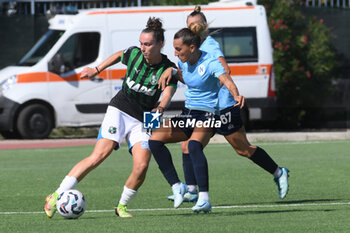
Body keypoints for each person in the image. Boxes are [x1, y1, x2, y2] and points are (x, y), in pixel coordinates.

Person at [44, 17, 178, 218]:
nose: (143, 48)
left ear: (160, 44)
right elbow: (119, 55)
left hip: (146, 117)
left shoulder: (167, 69)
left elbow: (168, 91)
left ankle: (121, 207)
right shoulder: (134, 53)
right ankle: (55, 196)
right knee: (99, 155)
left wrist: (161, 106)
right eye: (141, 43)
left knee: (142, 165)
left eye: (148, 44)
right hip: (120, 109)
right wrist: (96, 69)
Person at [162, 6, 289, 203]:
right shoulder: (186, 50)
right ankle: (193, 190)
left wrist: (225, 92)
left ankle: (279, 172)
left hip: (223, 107)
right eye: (189, 25)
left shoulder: (209, 45)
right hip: (203, 110)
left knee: (243, 149)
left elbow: (225, 70)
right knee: (188, 145)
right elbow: (188, 76)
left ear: (204, 27)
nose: (193, 28)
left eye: (196, 25)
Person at [149, 23, 244, 213]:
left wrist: (236, 94)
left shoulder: (210, 62)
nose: (175, 53)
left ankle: (204, 199)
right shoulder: (183, 62)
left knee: (193, 145)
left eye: (178, 49)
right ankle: (178, 186)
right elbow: (189, 79)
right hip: (189, 113)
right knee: (154, 140)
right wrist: (173, 71)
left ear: (192, 48)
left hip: (208, 114)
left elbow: (226, 80)